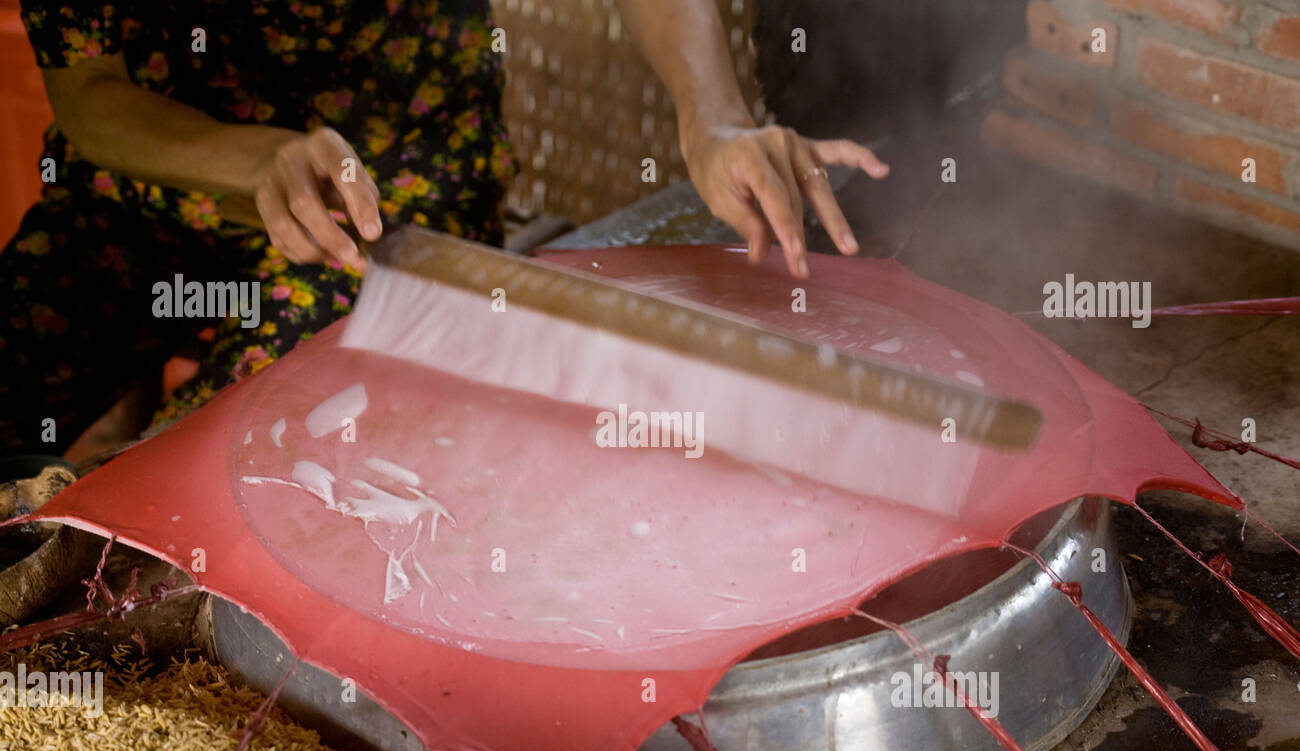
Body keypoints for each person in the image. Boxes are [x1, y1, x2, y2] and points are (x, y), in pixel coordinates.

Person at [0, 0, 888, 458]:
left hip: (388, 203)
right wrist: (262, 158)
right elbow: (88, 93)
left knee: (226, 473)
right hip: (145, 185)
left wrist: (714, 117)